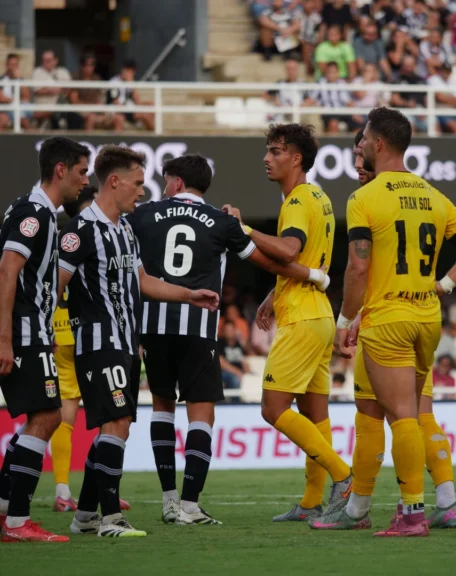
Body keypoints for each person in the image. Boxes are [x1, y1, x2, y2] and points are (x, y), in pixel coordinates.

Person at [313, 107, 456, 537]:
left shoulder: (364, 198)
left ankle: (410, 512)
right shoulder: (431, 194)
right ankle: (396, 505)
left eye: (363, 142)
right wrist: (444, 285)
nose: (359, 152)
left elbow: (357, 269)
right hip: (426, 317)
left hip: (387, 319)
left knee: (400, 417)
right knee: (402, 412)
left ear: (377, 144)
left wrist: (344, 319)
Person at [126, 154, 328, 525]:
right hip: (198, 328)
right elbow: (271, 262)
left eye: (165, 179)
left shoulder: (143, 214)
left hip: (153, 325)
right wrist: (313, 274)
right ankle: (189, 505)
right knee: (200, 414)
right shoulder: (221, 222)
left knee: (161, 408)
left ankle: (169, 500)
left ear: (176, 183)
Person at [57, 145, 220, 538]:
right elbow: (55, 287)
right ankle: (111, 520)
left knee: (119, 426)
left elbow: (143, 281)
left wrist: (188, 294)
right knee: (115, 423)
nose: (143, 191)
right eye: (136, 182)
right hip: (99, 343)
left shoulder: (126, 230)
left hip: (128, 344)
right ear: (114, 181)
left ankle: (85, 516)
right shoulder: (80, 231)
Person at [225, 124, 351, 523]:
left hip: (302, 318)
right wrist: (272, 294)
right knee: (316, 415)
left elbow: (289, 249)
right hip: (317, 313)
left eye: (276, 151)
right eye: (267, 150)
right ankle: (313, 502)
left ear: (296, 158)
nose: (267, 157)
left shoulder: (296, 199)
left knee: (272, 407)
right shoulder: (319, 196)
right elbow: (307, 261)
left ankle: (344, 476)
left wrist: (243, 229)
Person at [0, 137, 89, 543]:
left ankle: (7, 508)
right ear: (60, 169)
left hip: (32, 331)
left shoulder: (44, 214)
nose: (84, 181)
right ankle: (17, 522)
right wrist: (5, 337)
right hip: (20, 332)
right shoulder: (33, 212)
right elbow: (8, 271)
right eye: (81, 171)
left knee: (46, 415)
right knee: (48, 415)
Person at [49, 186, 132, 515]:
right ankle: (104, 495)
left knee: (66, 417)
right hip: (92, 334)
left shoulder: (63, 235)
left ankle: (63, 490)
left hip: (62, 332)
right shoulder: (98, 230)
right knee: (113, 417)